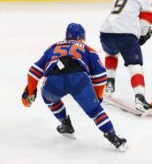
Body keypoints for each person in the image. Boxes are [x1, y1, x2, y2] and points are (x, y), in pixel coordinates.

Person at [21, 23, 128, 151]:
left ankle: (65, 124)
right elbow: (100, 75)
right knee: (95, 111)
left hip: (54, 81)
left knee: (49, 98)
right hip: (79, 80)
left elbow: (33, 71)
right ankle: (113, 137)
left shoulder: (52, 47)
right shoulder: (88, 49)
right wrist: (97, 96)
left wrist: (30, 91)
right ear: (81, 37)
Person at [100, 0, 152, 113]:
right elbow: (146, 22)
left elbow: (122, 15)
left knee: (111, 52)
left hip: (105, 32)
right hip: (125, 35)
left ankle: (109, 83)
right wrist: (143, 36)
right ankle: (140, 98)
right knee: (135, 65)